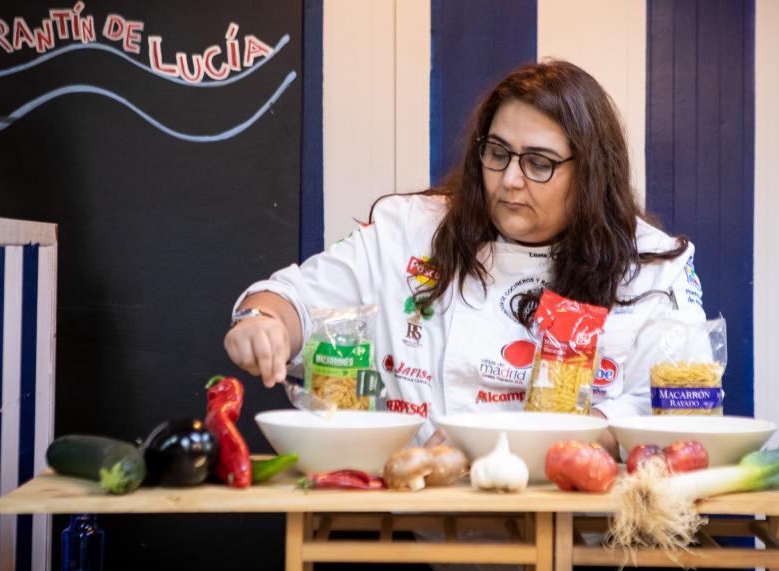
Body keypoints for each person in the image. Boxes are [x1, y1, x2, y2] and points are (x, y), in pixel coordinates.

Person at [223, 60, 705, 453]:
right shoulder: (411, 231)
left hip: (581, 542)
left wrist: (495, 445)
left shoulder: (650, 266)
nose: (511, 179)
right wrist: (264, 321)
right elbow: (296, 300)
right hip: (416, 529)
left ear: (593, 172)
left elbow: (680, 410)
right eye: (497, 153)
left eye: (539, 163)